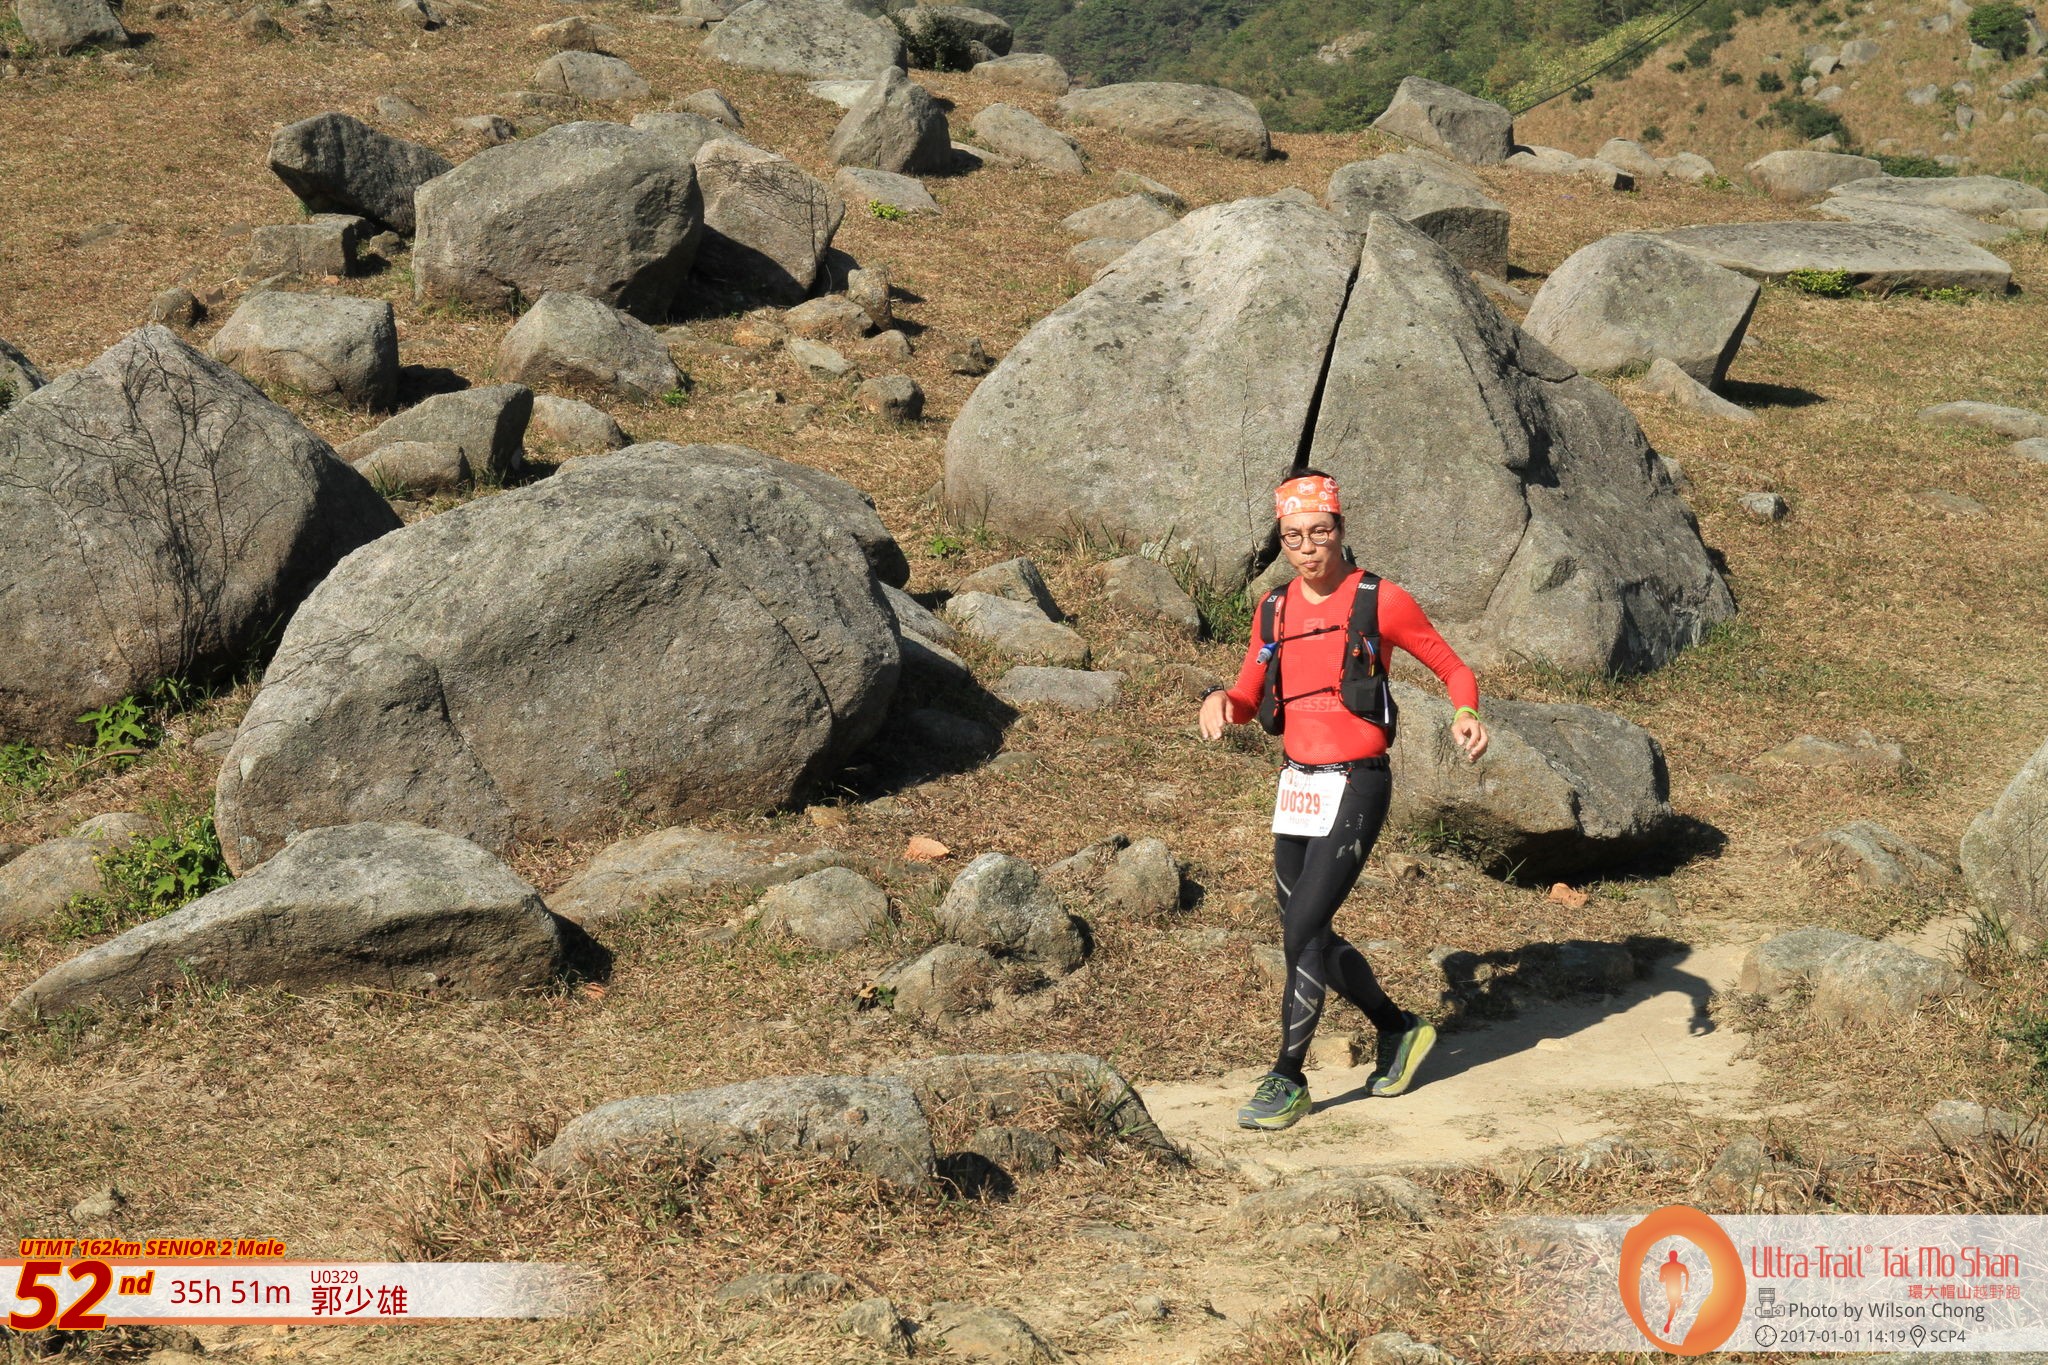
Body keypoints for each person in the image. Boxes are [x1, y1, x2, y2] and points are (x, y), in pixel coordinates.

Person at [1198, 470, 1488, 1131]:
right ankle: (1398, 1027)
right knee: (1308, 930)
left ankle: (1288, 1076)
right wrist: (1219, 701)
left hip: (1358, 781)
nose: (1308, 548)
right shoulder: (1273, 609)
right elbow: (1247, 696)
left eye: (1320, 532)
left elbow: (1452, 666)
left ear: (1340, 529)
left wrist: (1465, 712)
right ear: (1281, 539)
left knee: (1299, 929)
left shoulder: (1380, 600)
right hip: (1298, 784)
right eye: (1294, 537)